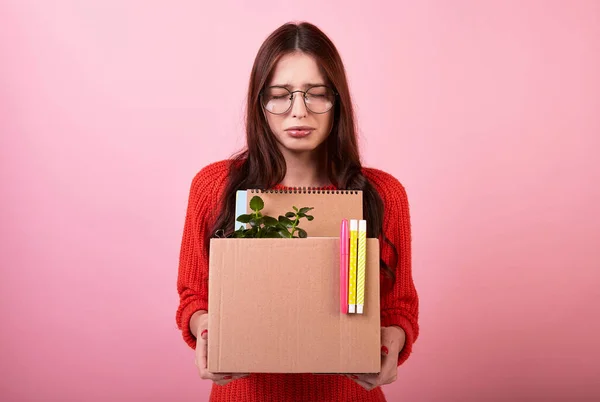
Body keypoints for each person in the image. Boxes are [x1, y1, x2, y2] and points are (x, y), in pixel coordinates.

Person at [176, 21, 419, 402]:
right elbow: (194, 294)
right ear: (260, 103)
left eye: (317, 94)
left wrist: (393, 339)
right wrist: (206, 329)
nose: (299, 111)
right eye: (280, 95)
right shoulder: (214, 188)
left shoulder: (383, 194)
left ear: (338, 101)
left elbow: (398, 305)